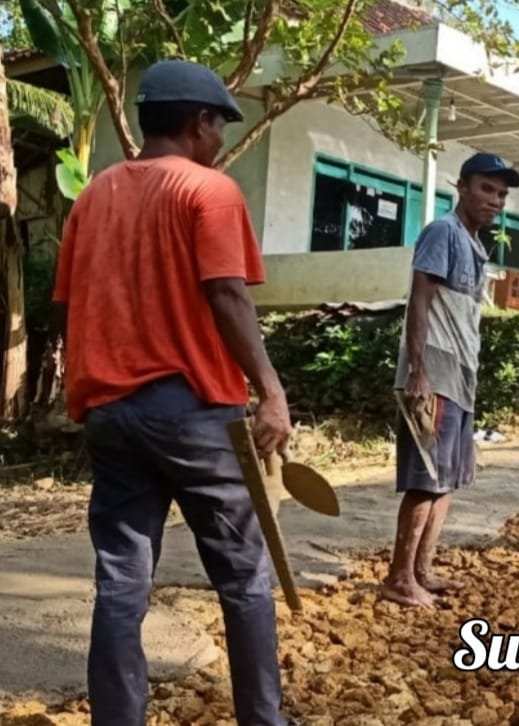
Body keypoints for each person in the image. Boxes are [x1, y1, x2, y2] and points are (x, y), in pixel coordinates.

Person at [52, 60, 292, 725]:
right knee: (243, 577)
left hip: (110, 412)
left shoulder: (94, 195)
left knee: (121, 583)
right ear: (200, 122)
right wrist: (270, 390)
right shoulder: (208, 191)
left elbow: (73, 303)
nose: (218, 138)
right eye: (219, 124)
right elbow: (225, 292)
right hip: (190, 411)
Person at [382, 152, 519, 607]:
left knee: (447, 479)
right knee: (425, 478)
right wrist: (418, 371)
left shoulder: (475, 244)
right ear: (461, 187)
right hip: (435, 372)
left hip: (460, 374)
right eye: (486, 188)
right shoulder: (443, 232)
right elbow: (419, 301)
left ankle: (422, 569)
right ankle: (400, 578)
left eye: (501, 194)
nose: (495, 200)